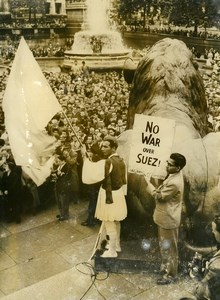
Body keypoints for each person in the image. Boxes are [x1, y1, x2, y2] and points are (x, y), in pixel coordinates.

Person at [145, 152, 186, 284]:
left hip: (168, 219)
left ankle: (171, 275)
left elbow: (159, 196)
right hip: (165, 218)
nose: (166, 165)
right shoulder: (175, 175)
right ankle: (166, 269)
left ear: (178, 168)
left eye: (170, 164)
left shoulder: (174, 182)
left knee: (170, 249)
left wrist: (148, 182)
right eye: (167, 162)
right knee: (165, 246)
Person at [95, 136, 127, 258]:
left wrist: (108, 199)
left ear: (113, 148)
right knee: (116, 221)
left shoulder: (108, 162)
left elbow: (104, 180)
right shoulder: (121, 160)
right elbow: (124, 181)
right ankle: (116, 245)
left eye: (105, 146)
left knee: (108, 221)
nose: (102, 148)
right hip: (118, 194)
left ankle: (112, 251)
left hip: (109, 194)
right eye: (102, 146)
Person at [180, 215, 220, 300]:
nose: (212, 232)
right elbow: (216, 250)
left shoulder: (216, 267)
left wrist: (196, 275)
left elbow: (200, 293)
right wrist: (193, 249)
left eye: (214, 230)